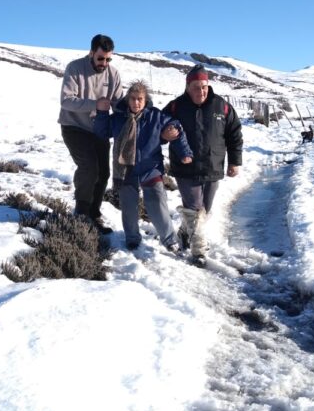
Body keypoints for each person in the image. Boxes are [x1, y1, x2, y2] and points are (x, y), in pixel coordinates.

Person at [94, 80, 193, 251]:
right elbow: (101, 132)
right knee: (129, 206)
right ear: (127, 100)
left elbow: (176, 128)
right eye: (132, 98)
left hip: (150, 167)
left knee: (157, 203)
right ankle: (132, 238)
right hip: (125, 168)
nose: (136, 102)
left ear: (145, 100)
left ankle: (170, 240)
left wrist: (185, 152)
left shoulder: (155, 116)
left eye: (140, 99)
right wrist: (102, 113)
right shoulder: (118, 117)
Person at [163, 64, 243, 266]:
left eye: (204, 86)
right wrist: (164, 135)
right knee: (194, 209)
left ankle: (184, 232)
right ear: (188, 87)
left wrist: (235, 161)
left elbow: (234, 134)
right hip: (184, 168)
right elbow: (159, 127)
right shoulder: (176, 106)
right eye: (196, 87)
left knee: (204, 210)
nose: (201, 91)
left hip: (212, 167)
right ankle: (198, 251)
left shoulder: (222, 106)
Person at [58, 34, 123, 233]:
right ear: (91, 53)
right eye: (100, 58)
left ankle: (94, 213)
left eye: (108, 59)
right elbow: (66, 100)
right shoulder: (75, 68)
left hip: (99, 129)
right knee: (89, 167)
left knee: (103, 173)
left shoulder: (113, 74)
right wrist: (95, 104)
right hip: (74, 126)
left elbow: (118, 103)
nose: (104, 63)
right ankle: (81, 213)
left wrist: (138, 108)